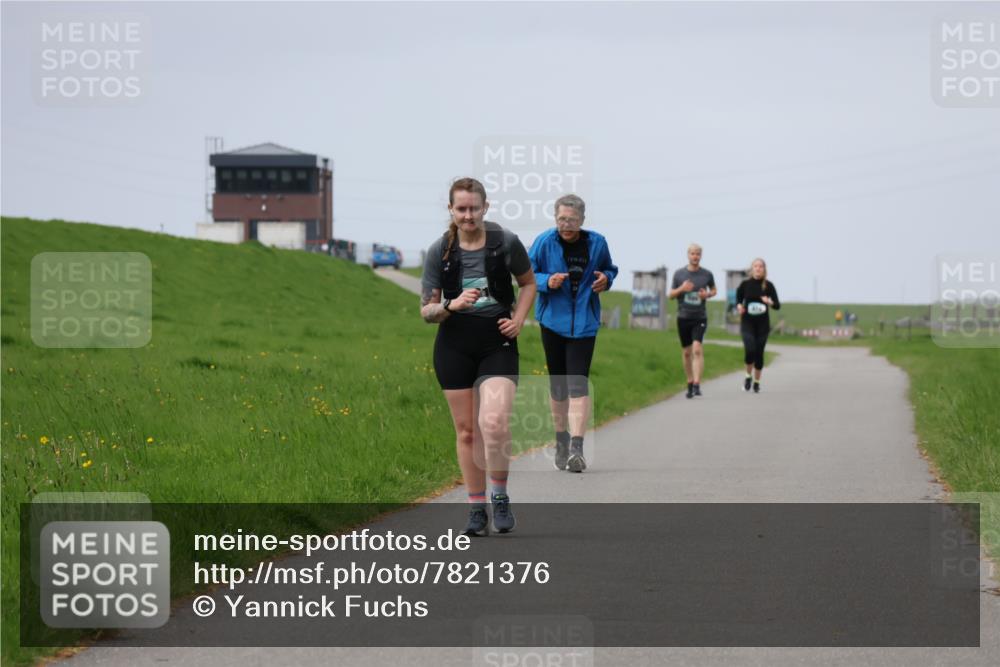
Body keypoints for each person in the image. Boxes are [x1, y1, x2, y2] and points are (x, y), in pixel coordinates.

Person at [420, 177, 536, 536]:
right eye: (461, 208)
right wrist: (450, 306)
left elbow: (528, 283)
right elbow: (426, 312)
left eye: (473, 208)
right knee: (468, 431)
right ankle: (475, 509)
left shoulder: (506, 243)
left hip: (496, 342)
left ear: (485, 207)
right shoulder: (440, 251)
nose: (467, 215)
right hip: (454, 345)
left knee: (495, 423)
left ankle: (499, 496)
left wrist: (519, 319)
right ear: (451, 211)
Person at [528, 194, 618, 473]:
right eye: (562, 219)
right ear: (555, 218)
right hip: (553, 322)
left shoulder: (597, 242)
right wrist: (546, 281)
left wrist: (606, 279)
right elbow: (527, 275)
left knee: (578, 382)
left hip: (585, 325)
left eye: (572, 220)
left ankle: (577, 448)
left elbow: (609, 269)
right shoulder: (544, 242)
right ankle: (561, 441)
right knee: (558, 386)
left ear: (582, 220)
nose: (566, 224)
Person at [669, 244, 716, 398]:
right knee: (687, 352)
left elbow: (714, 290)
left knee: (697, 349)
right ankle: (689, 381)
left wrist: (707, 295)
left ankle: (697, 383)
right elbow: (671, 295)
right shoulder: (679, 274)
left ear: (701, 256)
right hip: (683, 317)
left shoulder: (707, 274)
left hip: (700, 317)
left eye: (698, 254)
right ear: (688, 255)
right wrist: (682, 288)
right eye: (692, 253)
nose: (695, 256)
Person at [736, 258, 780, 393]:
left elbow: (777, 305)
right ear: (752, 269)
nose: (758, 268)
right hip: (747, 323)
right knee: (750, 349)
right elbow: (738, 299)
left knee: (759, 353)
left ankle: (757, 382)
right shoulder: (745, 284)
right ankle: (748, 376)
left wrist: (769, 302)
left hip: (762, 325)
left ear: (764, 269)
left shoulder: (768, 286)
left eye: (761, 266)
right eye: (756, 266)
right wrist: (739, 306)